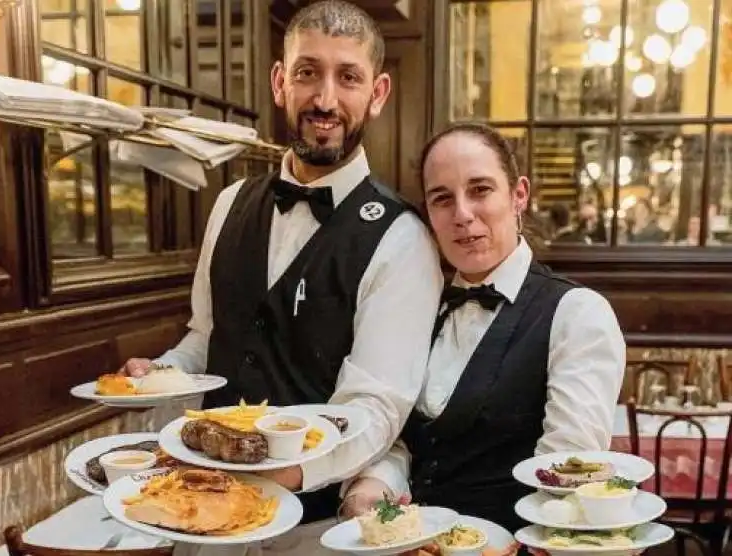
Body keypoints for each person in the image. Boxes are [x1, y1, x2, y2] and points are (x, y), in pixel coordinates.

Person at [118, 1, 442, 554]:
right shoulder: (228, 204)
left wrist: (274, 474)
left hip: (313, 527)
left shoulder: (402, 237)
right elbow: (206, 337)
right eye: (307, 72)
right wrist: (164, 373)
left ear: (378, 93)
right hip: (197, 510)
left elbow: (376, 408)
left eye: (348, 78)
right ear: (279, 81)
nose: (325, 100)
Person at [341, 122, 626, 542]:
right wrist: (373, 486)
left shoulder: (578, 315)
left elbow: (564, 476)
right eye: (442, 199)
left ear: (518, 195)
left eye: (480, 190)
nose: (462, 215)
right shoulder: (418, 306)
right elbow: (406, 439)